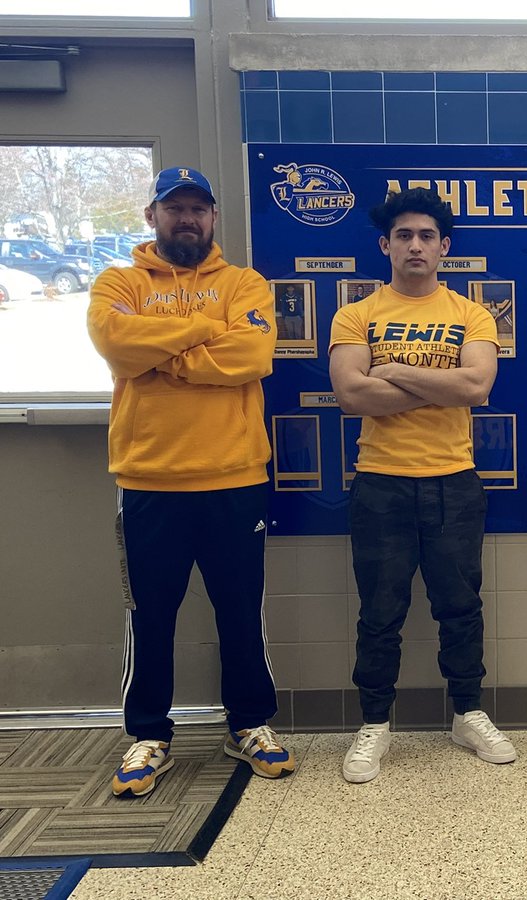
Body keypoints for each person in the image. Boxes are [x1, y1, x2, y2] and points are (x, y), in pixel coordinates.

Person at [87, 166, 294, 797]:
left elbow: (252, 356)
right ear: (152, 216)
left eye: (198, 209)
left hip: (234, 479)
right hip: (149, 481)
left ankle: (249, 724)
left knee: (240, 612)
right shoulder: (117, 281)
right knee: (150, 616)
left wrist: (163, 357)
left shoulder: (243, 283)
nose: (188, 218)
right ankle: (148, 734)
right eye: (174, 208)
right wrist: (205, 335)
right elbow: (117, 344)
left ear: (212, 218)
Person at [329, 187, 515, 784]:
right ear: (386, 245)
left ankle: (467, 712)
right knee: (380, 612)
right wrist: (441, 378)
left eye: (427, 236)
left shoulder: (471, 313)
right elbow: (352, 396)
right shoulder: (355, 314)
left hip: (453, 482)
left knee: (460, 608)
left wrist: (394, 370)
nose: (416, 245)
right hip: (380, 484)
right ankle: (375, 724)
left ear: (445, 248)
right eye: (404, 235)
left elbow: (478, 388)